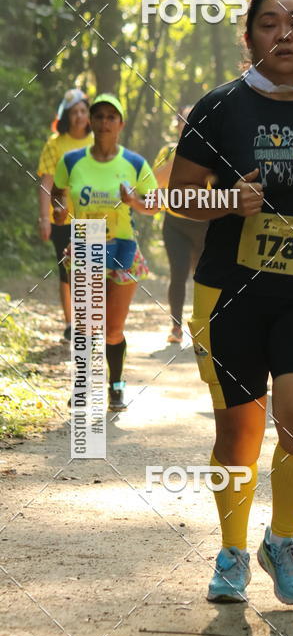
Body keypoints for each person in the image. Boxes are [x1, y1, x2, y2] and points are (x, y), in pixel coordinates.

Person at [168, 0, 293, 606]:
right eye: (269, 23)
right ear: (249, 37)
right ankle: (231, 551)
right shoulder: (220, 108)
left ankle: (281, 542)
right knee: (239, 433)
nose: (284, 33)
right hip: (231, 293)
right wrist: (228, 200)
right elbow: (177, 196)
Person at [51, 94, 160, 411]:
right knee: (86, 324)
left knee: (112, 329)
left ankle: (116, 385)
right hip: (87, 240)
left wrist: (134, 202)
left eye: (111, 117)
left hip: (123, 246)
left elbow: (155, 205)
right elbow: (58, 194)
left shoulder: (135, 163)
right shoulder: (71, 161)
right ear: (90, 121)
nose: (104, 122)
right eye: (98, 116)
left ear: (121, 124)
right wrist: (59, 212)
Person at [37, 89, 92, 341]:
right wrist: (44, 218)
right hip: (61, 217)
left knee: (89, 271)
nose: (79, 116)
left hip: (92, 217)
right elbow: (46, 184)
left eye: (83, 111)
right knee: (67, 272)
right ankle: (71, 324)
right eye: (74, 112)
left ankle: (88, 322)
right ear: (66, 116)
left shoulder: (98, 141)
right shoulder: (55, 144)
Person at [153, 106, 209, 344]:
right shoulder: (168, 152)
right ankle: (176, 326)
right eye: (184, 122)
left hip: (205, 224)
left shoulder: (212, 150)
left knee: (204, 277)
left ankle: (203, 326)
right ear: (177, 126)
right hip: (175, 224)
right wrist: (180, 155)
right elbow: (154, 181)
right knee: (178, 273)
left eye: (193, 121)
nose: (188, 126)